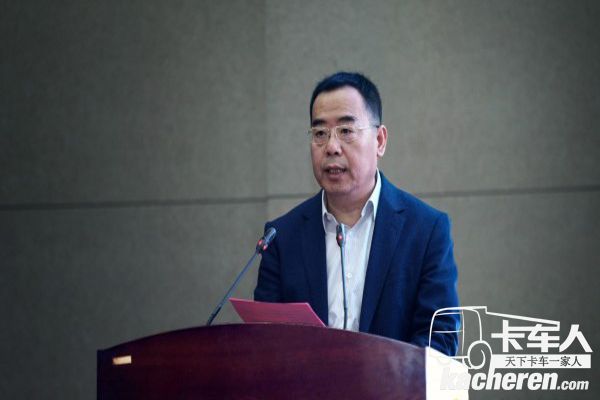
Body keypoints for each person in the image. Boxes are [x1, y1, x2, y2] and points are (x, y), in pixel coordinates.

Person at [254, 71, 460, 356]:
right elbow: (263, 343)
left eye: (346, 131)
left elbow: (441, 338)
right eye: (320, 133)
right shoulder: (281, 237)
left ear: (380, 141)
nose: (331, 147)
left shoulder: (426, 230)